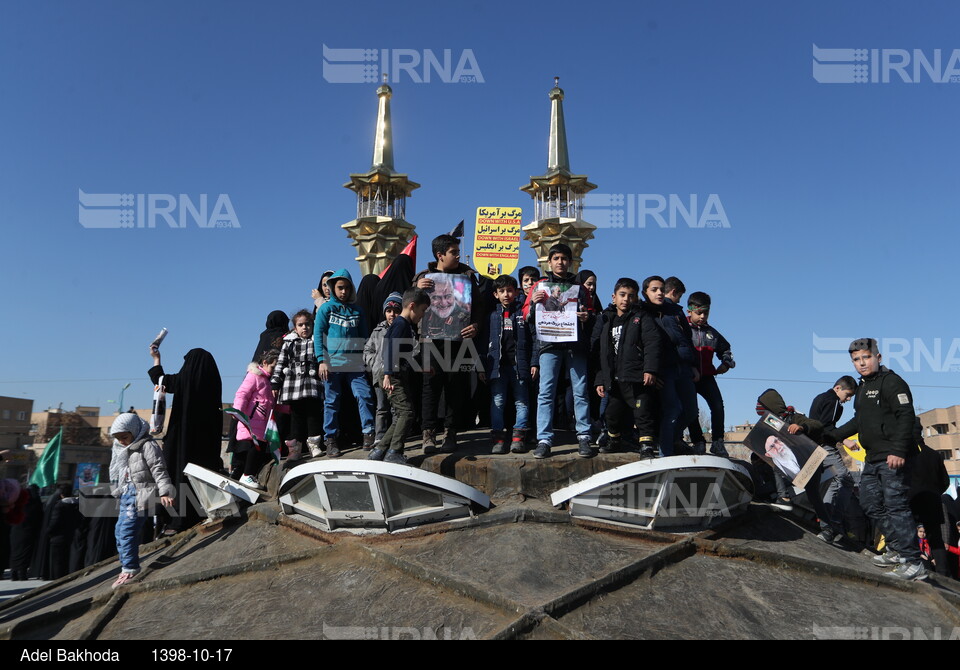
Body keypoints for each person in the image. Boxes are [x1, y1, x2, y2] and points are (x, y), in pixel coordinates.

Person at [828, 338, 927, 581]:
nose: (861, 363)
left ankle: (914, 562)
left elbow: (906, 417)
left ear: (878, 357)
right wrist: (830, 435)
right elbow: (858, 422)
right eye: (856, 360)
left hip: (893, 456)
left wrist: (899, 450)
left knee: (896, 506)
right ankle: (895, 549)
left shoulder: (893, 382)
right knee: (870, 503)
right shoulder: (862, 388)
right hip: (873, 457)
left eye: (866, 357)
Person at [523, 243, 596, 459]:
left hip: (575, 345)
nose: (560, 262)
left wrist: (585, 318)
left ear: (570, 262)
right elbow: (525, 314)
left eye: (564, 259)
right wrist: (535, 305)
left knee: (580, 391)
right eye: (556, 258)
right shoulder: (540, 286)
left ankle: (584, 436)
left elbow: (591, 313)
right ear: (550, 261)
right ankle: (544, 439)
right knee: (546, 392)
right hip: (549, 345)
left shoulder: (580, 289)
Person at [414, 234, 484, 454]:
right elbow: (410, 305)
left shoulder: (467, 277)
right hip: (429, 342)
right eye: (453, 252)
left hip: (458, 341)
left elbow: (479, 308)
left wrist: (476, 326)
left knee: (456, 387)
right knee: (430, 388)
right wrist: (417, 287)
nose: (458, 255)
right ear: (440, 255)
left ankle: (451, 432)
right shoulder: (423, 277)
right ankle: (428, 434)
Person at [147, 347, 222, 533]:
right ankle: (202, 512)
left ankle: (175, 519)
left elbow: (160, 380)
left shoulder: (183, 379)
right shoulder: (214, 381)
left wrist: (156, 358)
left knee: (178, 472)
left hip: (181, 437)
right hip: (206, 440)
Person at [595, 278, 662, 456]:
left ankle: (646, 446)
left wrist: (650, 370)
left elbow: (652, 344)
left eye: (631, 296)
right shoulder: (607, 321)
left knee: (642, 414)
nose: (626, 299)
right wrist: (601, 379)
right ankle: (614, 440)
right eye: (622, 295)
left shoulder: (641, 318)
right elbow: (603, 354)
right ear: (614, 297)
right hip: (615, 380)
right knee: (611, 414)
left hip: (637, 378)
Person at [108, 413, 175, 588]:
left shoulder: (147, 445)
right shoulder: (121, 448)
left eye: (124, 437)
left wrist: (165, 492)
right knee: (119, 531)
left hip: (142, 495)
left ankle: (130, 569)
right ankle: (125, 566)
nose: (122, 441)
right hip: (127, 494)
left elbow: (159, 469)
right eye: (118, 438)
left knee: (128, 531)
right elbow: (119, 471)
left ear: (134, 431)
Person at [314, 269, 376, 457]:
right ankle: (331, 439)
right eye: (340, 288)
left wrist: (367, 360)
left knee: (364, 396)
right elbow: (318, 335)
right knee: (331, 402)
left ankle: (369, 433)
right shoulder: (326, 309)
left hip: (355, 365)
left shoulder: (358, 311)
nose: (344, 292)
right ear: (333, 288)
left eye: (347, 288)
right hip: (332, 364)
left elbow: (365, 337)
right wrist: (321, 361)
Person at [368, 287, 431, 464]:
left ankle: (379, 451)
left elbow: (403, 355)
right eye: (422, 310)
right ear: (412, 306)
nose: (422, 315)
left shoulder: (405, 326)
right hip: (390, 373)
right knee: (406, 413)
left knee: (402, 414)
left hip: (395, 372)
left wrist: (421, 368)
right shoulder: (401, 323)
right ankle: (394, 452)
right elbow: (389, 347)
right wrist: (388, 374)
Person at [642, 276, 699, 457]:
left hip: (683, 366)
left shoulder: (675, 311)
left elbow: (687, 338)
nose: (659, 293)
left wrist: (694, 365)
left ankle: (671, 439)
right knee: (672, 409)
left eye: (661, 289)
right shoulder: (644, 312)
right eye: (654, 290)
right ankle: (665, 452)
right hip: (664, 369)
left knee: (691, 411)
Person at [486, 275, 535, 454]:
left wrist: (534, 362)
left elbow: (533, 339)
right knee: (497, 402)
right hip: (497, 368)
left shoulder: (522, 314)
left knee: (522, 402)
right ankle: (498, 439)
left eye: (509, 290)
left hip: (519, 366)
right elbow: (485, 344)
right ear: (495, 294)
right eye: (502, 291)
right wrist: (481, 367)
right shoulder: (491, 316)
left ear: (516, 292)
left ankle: (518, 438)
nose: (506, 294)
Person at [806, 376, 857, 543]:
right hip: (825, 447)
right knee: (846, 480)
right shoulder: (833, 401)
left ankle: (827, 521)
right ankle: (833, 520)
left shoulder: (819, 397)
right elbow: (825, 426)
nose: (848, 399)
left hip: (814, 446)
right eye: (848, 395)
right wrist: (845, 440)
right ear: (837, 388)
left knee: (834, 482)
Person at [685, 291, 735, 457]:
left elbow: (726, 348)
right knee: (692, 410)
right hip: (688, 377)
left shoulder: (712, 333)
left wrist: (726, 363)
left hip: (707, 376)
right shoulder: (682, 329)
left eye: (706, 313)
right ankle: (698, 442)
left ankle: (718, 442)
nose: (702, 316)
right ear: (689, 311)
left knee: (718, 406)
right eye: (699, 313)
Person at [270, 310, 322, 463]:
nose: (304, 328)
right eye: (300, 325)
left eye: (307, 324)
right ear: (295, 328)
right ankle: (295, 449)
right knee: (296, 418)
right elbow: (281, 363)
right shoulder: (289, 343)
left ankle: (314, 446)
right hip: (293, 385)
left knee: (313, 415)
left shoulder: (317, 341)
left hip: (312, 383)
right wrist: (275, 382)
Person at [232, 349, 280, 490]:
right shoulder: (254, 376)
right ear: (265, 362)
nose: (273, 371)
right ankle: (247, 475)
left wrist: (286, 409)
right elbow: (242, 393)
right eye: (272, 367)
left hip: (261, 422)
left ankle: (244, 476)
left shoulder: (266, 380)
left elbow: (270, 404)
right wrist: (238, 412)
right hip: (251, 420)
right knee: (254, 447)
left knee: (256, 449)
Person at [364, 292, 403, 448]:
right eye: (389, 311)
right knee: (382, 407)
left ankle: (394, 436)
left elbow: (413, 349)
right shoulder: (377, 331)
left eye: (396, 310)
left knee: (396, 408)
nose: (392, 314)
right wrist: (375, 364)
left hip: (396, 375)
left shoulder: (404, 328)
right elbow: (367, 350)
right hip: (379, 375)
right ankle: (380, 437)